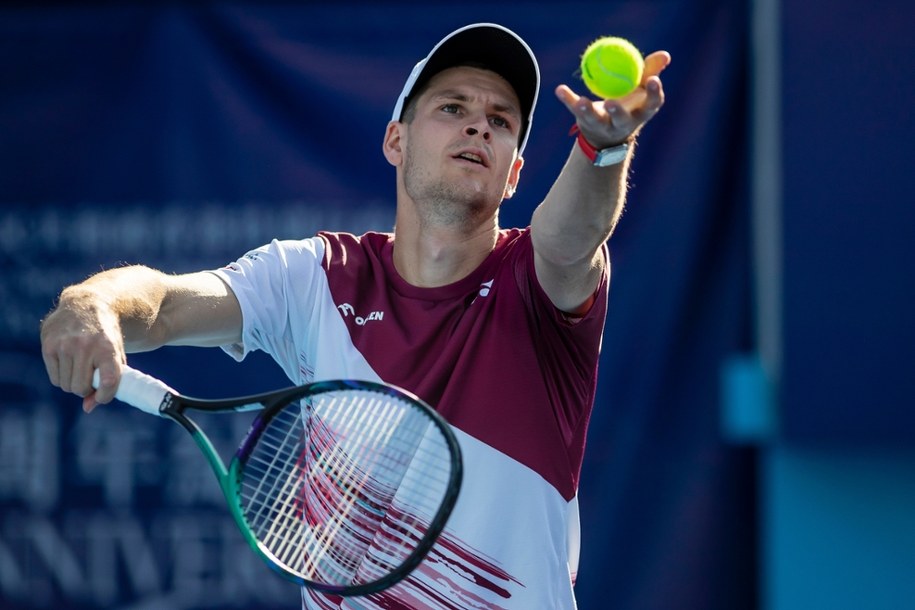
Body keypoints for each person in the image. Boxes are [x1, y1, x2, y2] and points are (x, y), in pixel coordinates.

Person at [40, 22, 669, 610]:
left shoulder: (535, 280)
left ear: (514, 174)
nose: (479, 126)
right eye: (453, 107)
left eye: (500, 121)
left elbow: (572, 238)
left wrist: (603, 149)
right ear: (396, 139)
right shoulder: (314, 277)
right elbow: (164, 305)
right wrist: (91, 305)